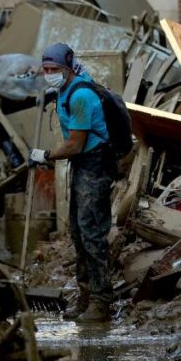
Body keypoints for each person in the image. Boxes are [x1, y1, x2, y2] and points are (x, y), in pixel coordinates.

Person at [29, 43, 116, 322]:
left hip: (95, 163)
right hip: (84, 164)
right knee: (78, 233)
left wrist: (44, 155)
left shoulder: (81, 96)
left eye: (55, 70)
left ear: (67, 69)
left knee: (92, 233)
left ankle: (101, 302)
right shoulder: (67, 88)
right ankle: (86, 296)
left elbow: (75, 146)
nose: (50, 73)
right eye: (46, 69)